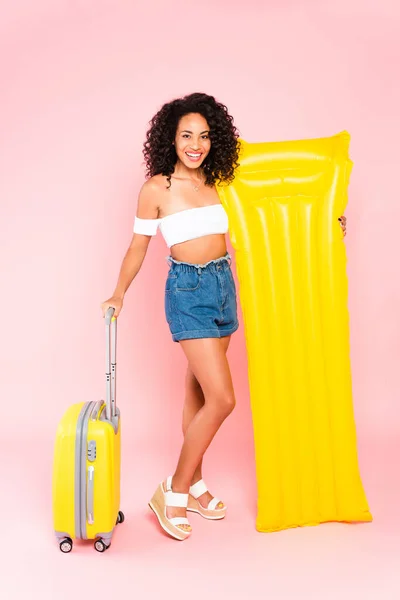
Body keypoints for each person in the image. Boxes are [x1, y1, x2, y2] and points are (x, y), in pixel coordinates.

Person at [101, 92, 348, 541]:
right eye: (186, 135)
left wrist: (324, 224)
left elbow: (272, 214)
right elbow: (138, 246)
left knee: (197, 391)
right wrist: (118, 294)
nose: (196, 144)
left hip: (222, 289)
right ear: (170, 139)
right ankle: (172, 490)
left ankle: (195, 484)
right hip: (187, 291)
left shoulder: (223, 182)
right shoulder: (158, 189)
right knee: (223, 398)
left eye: (204, 136)